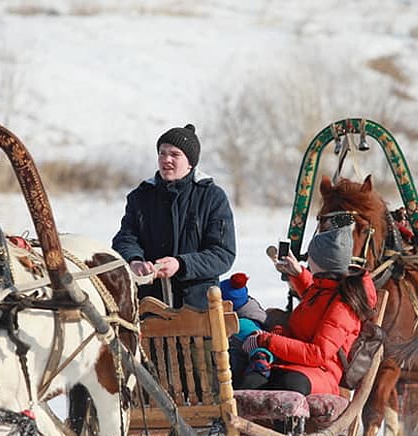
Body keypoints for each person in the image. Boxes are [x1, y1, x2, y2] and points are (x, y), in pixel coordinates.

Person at [239, 223, 377, 396]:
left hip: (322, 371)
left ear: (322, 263)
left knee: (286, 383)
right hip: (297, 362)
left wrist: (267, 341)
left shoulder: (343, 306)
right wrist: (298, 274)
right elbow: (318, 301)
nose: (308, 260)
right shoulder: (327, 288)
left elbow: (318, 353)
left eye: (311, 256)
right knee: (250, 378)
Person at [112, 124, 236, 309]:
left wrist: (181, 264)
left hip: (197, 307)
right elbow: (126, 238)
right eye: (162, 153)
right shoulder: (140, 196)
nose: (166, 159)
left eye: (174, 154)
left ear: (190, 162)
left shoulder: (212, 197)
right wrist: (134, 260)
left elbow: (222, 254)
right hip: (148, 305)